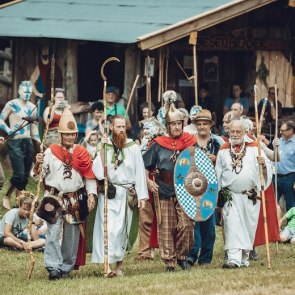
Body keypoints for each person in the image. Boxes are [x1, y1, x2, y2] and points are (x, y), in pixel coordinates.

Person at [33, 107, 96, 280]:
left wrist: (91, 194)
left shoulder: (82, 153)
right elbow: (39, 175)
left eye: (73, 134)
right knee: (53, 232)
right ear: (60, 135)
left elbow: (89, 176)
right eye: (66, 134)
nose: (70, 137)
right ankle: (53, 267)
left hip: (74, 198)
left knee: (71, 234)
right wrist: (37, 164)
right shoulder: (50, 151)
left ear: (76, 135)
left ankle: (66, 268)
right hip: (54, 197)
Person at [143, 90, 196, 272]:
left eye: (179, 123)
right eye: (173, 124)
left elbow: (199, 164)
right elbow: (144, 165)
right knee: (167, 226)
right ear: (167, 125)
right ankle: (169, 262)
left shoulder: (190, 142)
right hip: (164, 187)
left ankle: (182, 256)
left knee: (187, 224)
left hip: (185, 188)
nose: (177, 127)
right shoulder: (158, 143)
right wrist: (148, 182)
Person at [92, 115, 148, 277]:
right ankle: (107, 267)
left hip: (126, 194)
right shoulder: (105, 146)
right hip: (110, 194)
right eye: (118, 127)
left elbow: (139, 173)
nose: (122, 130)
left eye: (123, 127)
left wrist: (142, 196)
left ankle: (119, 266)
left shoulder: (133, 147)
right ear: (111, 128)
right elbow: (97, 171)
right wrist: (101, 149)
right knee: (107, 229)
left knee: (122, 230)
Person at [215, 120, 272, 268]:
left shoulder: (255, 148)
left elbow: (268, 171)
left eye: (238, 132)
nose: (234, 134)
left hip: (250, 196)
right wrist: (218, 193)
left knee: (247, 228)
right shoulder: (223, 150)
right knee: (233, 226)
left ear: (244, 132)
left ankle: (243, 258)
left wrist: (264, 165)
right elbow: (218, 173)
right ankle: (233, 259)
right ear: (228, 132)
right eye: (232, 131)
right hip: (231, 196)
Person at [186, 109, 223, 266]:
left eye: (205, 124)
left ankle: (206, 257)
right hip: (192, 186)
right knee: (193, 221)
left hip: (211, 187)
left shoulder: (218, 143)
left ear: (210, 125)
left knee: (208, 222)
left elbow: (226, 163)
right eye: (199, 124)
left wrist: (217, 160)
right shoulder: (189, 142)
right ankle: (192, 254)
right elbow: (183, 162)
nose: (202, 127)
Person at [0, 81, 40, 210]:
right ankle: (7, 196)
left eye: (29, 92)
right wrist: (8, 130)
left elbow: (34, 128)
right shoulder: (12, 104)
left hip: (28, 141)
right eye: (25, 91)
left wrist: (39, 143)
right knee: (19, 173)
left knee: (26, 174)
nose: (27, 94)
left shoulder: (33, 106)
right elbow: (0, 119)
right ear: (19, 91)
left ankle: (19, 201)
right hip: (15, 140)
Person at [137, 118, 160, 260]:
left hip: (158, 183)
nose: (146, 131)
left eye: (149, 128)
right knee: (144, 218)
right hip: (144, 184)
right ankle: (144, 252)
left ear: (157, 130)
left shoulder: (160, 144)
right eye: (144, 128)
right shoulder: (141, 146)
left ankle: (164, 248)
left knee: (161, 219)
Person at [277, 120, 295, 212]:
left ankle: (291, 226)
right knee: (273, 203)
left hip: (290, 178)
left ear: (290, 131)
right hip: (276, 177)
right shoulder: (280, 140)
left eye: (282, 130)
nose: (280, 132)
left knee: (290, 205)